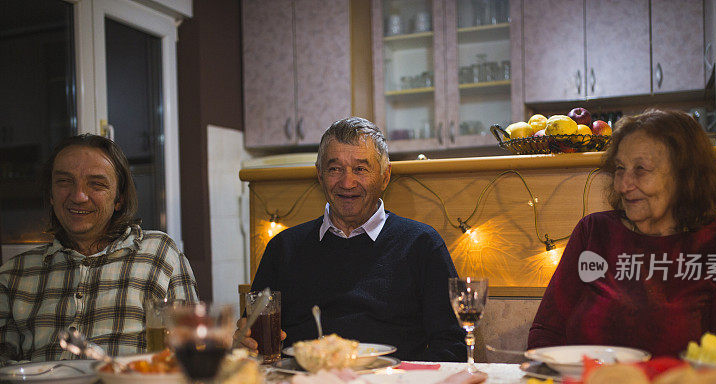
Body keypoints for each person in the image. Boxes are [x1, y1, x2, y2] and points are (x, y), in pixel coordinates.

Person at [528, 109, 716, 356]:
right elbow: (546, 332)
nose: (622, 185)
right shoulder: (594, 232)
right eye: (620, 168)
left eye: (641, 169)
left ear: (684, 175)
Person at [247, 117, 466, 361]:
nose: (347, 182)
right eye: (335, 169)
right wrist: (247, 343)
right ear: (320, 176)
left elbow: (452, 346)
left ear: (385, 176)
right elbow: (253, 336)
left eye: (360, 169)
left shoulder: (422, 244)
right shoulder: (283, 248)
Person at [0, 134, 198, 363]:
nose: (79, 196)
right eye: (64, 182)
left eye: (96, 184)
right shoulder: (13, 274)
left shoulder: (160, 254)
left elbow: (191, 352)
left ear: (119, 199)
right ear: (51, 194)